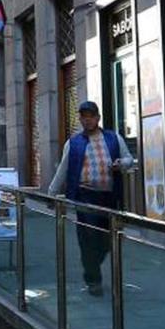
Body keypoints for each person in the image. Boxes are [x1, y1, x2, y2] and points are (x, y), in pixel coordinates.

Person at [48, 100, 133, 296]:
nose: (87, 120)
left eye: (90, 116)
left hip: (109, 197)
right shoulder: (74, 143)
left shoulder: (113, 138)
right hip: (85, 197)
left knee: (107, 240)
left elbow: (129, 159)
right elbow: (63, 169)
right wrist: (51, 194)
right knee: (89, 238)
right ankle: (93, 279)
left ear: (98, 118)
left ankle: (91, 268)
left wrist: (122, 164)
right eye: (83, 117)